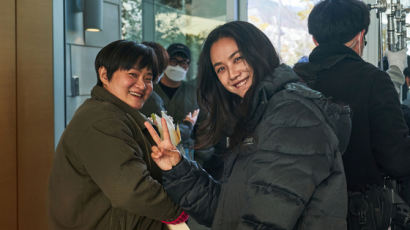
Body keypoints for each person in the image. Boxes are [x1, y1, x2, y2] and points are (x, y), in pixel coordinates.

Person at [144, 21, 350, 230]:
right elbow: (229, 209)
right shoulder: (259, 112)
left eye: (238, 59)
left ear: (259, 52)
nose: (232, 74)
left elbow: (266, 218)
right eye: (221, 69)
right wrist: (178, 168)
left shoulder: (290, 114)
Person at [293, 0, 410, 229]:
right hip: (360, 214)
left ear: (315, 40)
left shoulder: (293, 80)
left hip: (301, 212)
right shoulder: (373, 80)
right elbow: (398, 160)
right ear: (360, 36)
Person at [48, 40, 188, 230]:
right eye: (133, 74)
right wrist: (180, 213)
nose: (142, 85)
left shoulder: (120, 114)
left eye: (148, 78)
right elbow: (131, 190)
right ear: (104, 75)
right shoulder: (101, 120)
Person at [141, 43, 200, 160]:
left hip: (186, 154)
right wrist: (188, 125)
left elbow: (203, 126)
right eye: (173, 61)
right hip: (153, 152)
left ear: (188, 66)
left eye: (183, 62)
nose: (178, 66)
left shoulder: (194, 92)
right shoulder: (149, 90)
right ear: (165, 63)